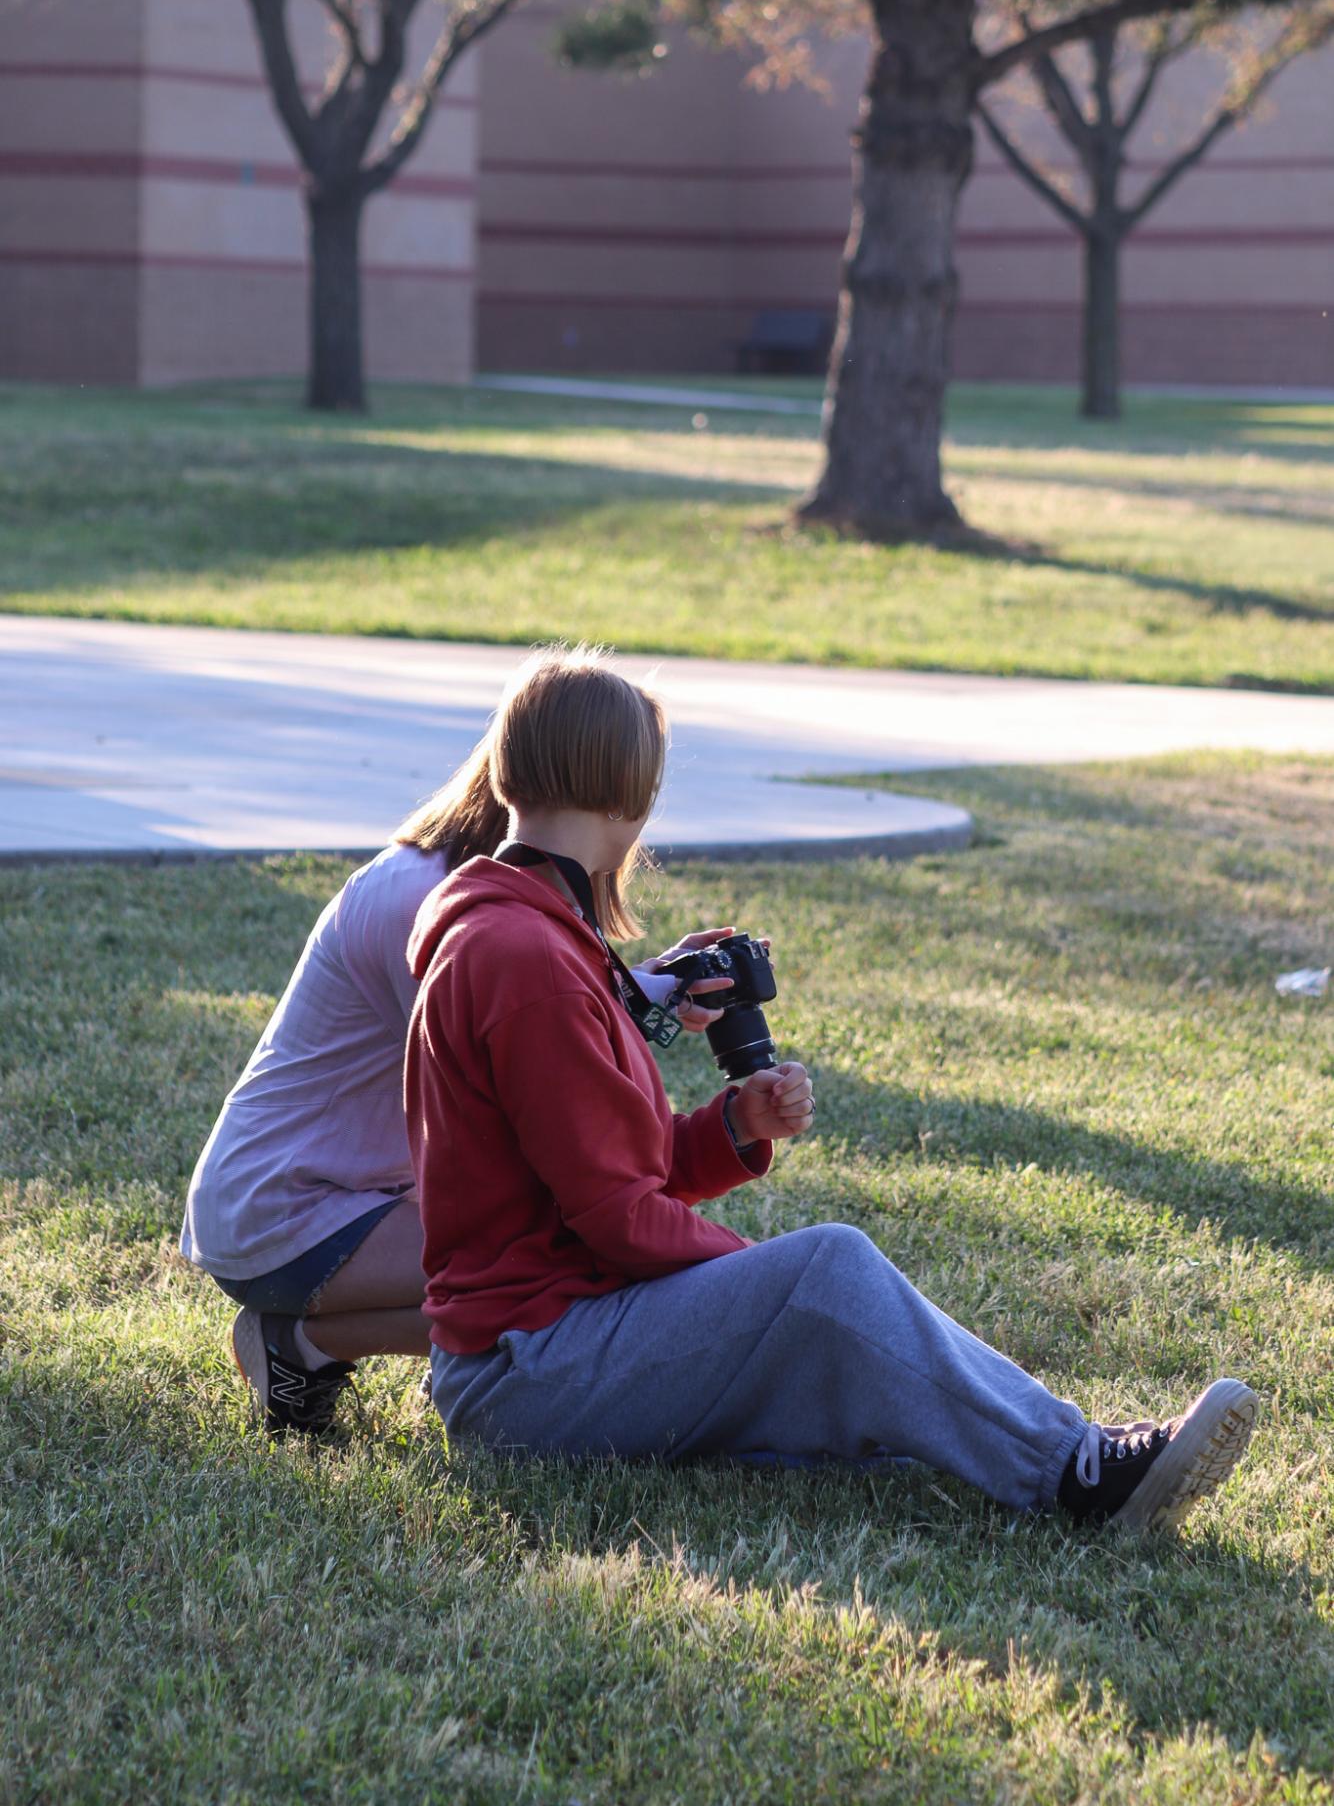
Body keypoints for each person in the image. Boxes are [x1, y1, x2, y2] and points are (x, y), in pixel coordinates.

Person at [405, 645, 1259, 1533]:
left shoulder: (532, 935)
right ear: (630, 793)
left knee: (828, 1313)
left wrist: (729, 1128)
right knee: (827, 1268)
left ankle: (1033, 1442)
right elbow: (616, 1214)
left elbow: (591, 1171)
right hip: (531, 1375)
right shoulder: (524, 958)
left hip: (549, 1346)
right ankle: (1079, 1472)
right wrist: (767, 1284)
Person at [180, 686, 740, 1435]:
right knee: (555, 1259)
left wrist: (652, 990)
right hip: (287, 1207)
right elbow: (524, 1062)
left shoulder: (484, 897)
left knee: (549, 1249)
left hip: (364, 1196)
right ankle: (300, 1341)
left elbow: (550, 1025)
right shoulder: (427, 901)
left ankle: (395, 1350)